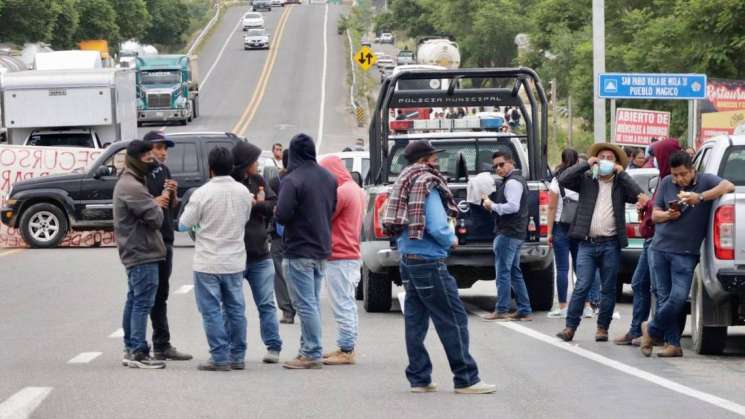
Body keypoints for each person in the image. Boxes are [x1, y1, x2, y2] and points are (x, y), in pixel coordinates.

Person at [381, 141, 496, 394]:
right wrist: (450, 238)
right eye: (435, 156)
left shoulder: (405, 180)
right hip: (429, 259)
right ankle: (466, 378)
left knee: (416, 320)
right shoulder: (427, 183)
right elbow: (435, 225)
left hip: (408, 258)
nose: (438, 161)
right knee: (453, 318)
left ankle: (420, 378)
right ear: (427, 159)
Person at [641, 151, 735, 357]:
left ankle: (651, 329)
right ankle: (673, 344)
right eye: (675, 175)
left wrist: (699, 197)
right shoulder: (666, 183)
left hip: (685, 252)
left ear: (693, 170)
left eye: (683, 174)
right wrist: (667, 214)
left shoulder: (706, 180)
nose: (679, 179)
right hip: (659, 248)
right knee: (664, 297)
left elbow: (728, 186)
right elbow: (655, 214)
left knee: (679, 297)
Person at [556, 143, 648, 342]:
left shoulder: (620, 184)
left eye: (610, 158)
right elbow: (563, 178)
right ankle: (570, 327)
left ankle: (602, 328)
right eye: (601, 157)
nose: (605, 160)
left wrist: (621, 174)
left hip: (610, 244)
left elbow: (639, 195)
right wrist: (585, 165)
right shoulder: (587, 180)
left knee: (608, 289)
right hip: (587, 244)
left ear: (616, 163)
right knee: (582, 285)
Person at [179, 146, 254, 371]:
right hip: (235, 261)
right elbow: (246, 217)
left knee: (211, 311)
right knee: (236, 310)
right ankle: (237, 356)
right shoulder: (243, 192)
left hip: (208, 261)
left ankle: (220, 356)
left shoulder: (201, 194)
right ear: (231, 167)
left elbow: (184, 224)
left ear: (210, 169)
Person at [275, 133, 337, 370]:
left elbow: (282, 214)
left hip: (299, 247)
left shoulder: (293, 180)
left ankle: (311, 352)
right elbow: (331, 208)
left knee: (305, 304)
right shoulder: (328, 178)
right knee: (311, 302)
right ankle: (307, 349)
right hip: (321, 246)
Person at [614, 138, 680, 346]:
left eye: (656, 157)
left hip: (661, 239)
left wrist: (649, 204)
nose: (654, 161)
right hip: (651, 237)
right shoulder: (663, 178)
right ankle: (637, 329)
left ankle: (657, 333)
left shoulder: (673, 179)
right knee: (639, 283)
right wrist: (647, 205)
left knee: (658, 289)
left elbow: (668, 208)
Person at [114, 140, 167, 369]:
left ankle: (130, 347)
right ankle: (137, 351)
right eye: (148, 160)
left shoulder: (132, 181)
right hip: (142, 251)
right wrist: (158, 203)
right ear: (136, 160)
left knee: (135, 299)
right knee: (142, 302)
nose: (152, 163)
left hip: (136, 249)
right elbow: (156, 218)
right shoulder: (132, 186)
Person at [142, 131, 193, 362]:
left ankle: (162, 344)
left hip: (166, 238)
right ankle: (135, 345)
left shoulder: (164, 171)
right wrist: (153, 201)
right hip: (147, 241)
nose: (163, 152)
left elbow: (171, 207)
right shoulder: (139, 173)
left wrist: (173, 192)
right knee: (144, 295)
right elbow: (134, 204)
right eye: (158, 147)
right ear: (147, 149)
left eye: (165, 148)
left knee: (161, 294)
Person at [232, 141, 283, 364]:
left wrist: (255, 205)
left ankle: (273, 346)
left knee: (266, 304)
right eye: (253, 160)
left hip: (260, 254)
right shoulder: (230, 183)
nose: (257, 164)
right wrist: (254, 203)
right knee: (235, 307)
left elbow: (273, 206)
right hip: (234, 254)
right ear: (244, 163)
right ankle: (236, 351)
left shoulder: (259, 181)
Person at [318, 156, 366, 365]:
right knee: (347, 302)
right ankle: (346, 345)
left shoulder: (342, 192)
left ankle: (346, 349)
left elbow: (324, 215)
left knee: (342, 304)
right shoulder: (354, 189)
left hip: (340, 253)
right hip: (350, 252)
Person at [481, 150, 532, 321]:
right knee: (514, 272)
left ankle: (501, 309)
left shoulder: (512, 183)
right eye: (495, 166)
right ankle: (524, 309)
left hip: (509, 233)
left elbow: (512, 207)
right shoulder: (513, 181)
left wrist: (491, 205)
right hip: (515, 233)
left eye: (501, 164)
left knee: (503, 272)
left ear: (511, 163)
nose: (498, 168)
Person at [269, 149, 295, 324]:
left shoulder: (275, 181)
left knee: (279, 272)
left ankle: (287, 310)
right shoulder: (304, 179)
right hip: (301, 233)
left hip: (279, 232)